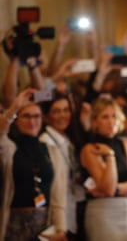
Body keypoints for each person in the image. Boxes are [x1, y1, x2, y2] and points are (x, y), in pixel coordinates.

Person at [0, 89, 67, 241]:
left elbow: (58, 195)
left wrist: (61, 228)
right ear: (17, 120)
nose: (32, 121)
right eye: (26, 116)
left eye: (36, 116)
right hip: (14, 223)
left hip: (45, 221)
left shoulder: (50, 149)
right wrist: (14, 108)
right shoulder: (8, 147)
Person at [80, 95, 127, 241]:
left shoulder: (124, 144)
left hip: (125, 210)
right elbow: (107, 187)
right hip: (102, 212)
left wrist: (116, 190)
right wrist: (110, 156)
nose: (111, 121)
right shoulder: (91, 149)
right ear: (95, 121)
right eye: (105, 117)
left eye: (114, 116)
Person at [39, 92, 85, 240]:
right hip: (57, 218)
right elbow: (56, 187)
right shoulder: (46, 142)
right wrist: (60, 226)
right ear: (46, 117)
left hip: (71, 209)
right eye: (56, 111)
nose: (63, 115)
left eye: (66, 110)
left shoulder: (66, 139)